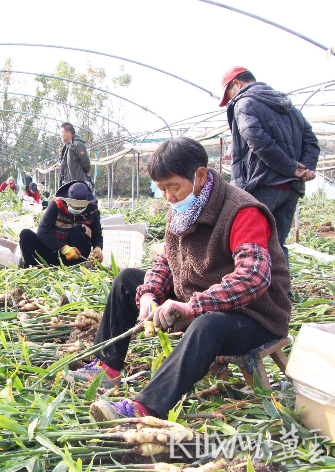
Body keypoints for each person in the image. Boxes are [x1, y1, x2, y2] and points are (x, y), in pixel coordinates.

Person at [82, 138, 291, 422]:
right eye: (162, 188)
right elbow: (167, 260)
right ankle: (107, 369)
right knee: (127, 280)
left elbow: (253, 276)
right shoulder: (182, 209)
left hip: (253, 316)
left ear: (200, 176)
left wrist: (191, 307)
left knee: (209, 323)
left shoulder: (242, 212)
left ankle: (146, 408)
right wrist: (149, 295)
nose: (168, 196)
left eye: (173, 187)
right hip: (200, 301)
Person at [220, 66, 319, 262]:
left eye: (228, 94)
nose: (230, 100)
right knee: (277, 245)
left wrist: (291, 167)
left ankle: (257, 292)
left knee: (251, 246)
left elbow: (257, 141)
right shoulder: (289, 107)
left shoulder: (244, 103)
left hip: (262, 185)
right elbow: (312, 142)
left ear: (236, 84)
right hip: (290, 189)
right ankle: (283, 293)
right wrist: (304, 169)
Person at [19, 181, 103, 268]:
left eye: (81, 208)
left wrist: (98, 248)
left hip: (74, 256)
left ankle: (77, 267)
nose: (78, 210)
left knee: (81, 229)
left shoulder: (92, 208)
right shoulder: (56, 204)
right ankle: (33, 267)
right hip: (52, 250)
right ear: (68, 201)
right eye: (75, 207)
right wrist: (63, 248)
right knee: (25, 234)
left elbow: (97, 234)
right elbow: (42, 232)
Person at [60, 122, 91, 187]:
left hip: (78, 184)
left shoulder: (77, 145)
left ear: (68, 132)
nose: (61, 135)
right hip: (69, 183)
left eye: (62, 132)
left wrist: (81, 174)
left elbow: (86, 162)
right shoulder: (67, 147)